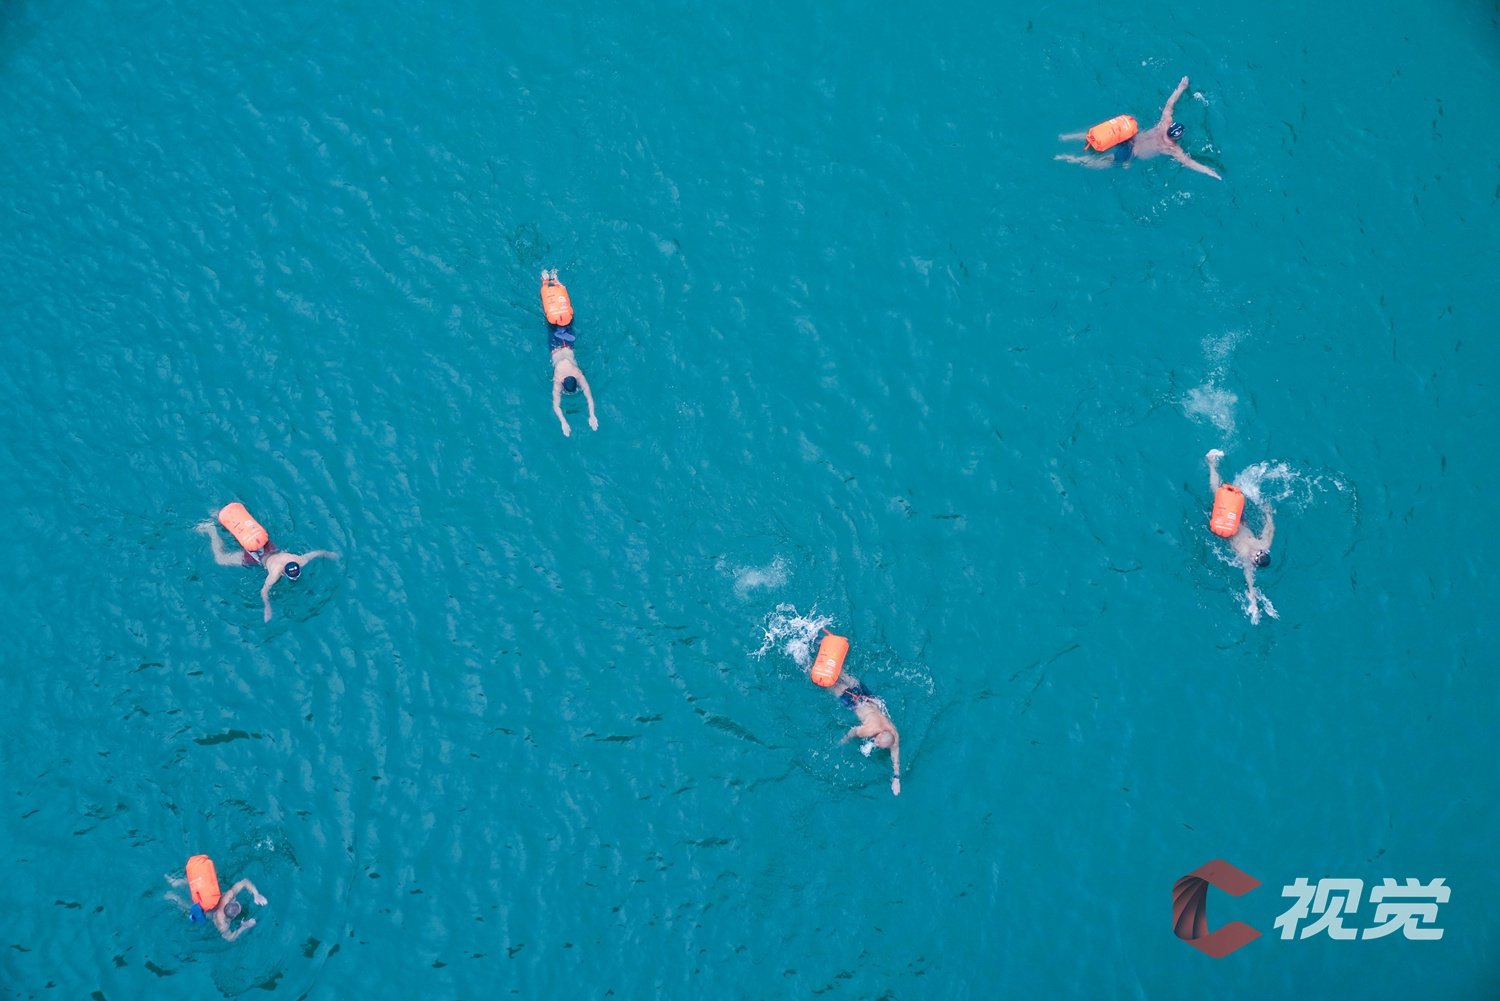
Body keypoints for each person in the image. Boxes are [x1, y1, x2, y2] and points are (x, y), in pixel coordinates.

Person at [1056, 76, 1222, 180]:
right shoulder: (1171, 148)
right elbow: (1188, 162)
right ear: (1177, 137)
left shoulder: (1164, 123)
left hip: (1128, 137)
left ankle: (1066, 137)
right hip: (1130, 154)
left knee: (1098, 135)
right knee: (1101, 163)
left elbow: (1169, 104)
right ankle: (1067, 158)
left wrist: (1180, 87)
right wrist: (1208, 171)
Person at [196, 518, 337, 622]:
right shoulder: (276, 573)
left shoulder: (298, 560)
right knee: (221, 559)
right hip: (257, 558)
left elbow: (317, 553)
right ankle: (211, 530)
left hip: (267, 546)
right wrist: (267, 608)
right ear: (284, 573)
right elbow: (263, 591)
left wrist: (329, 554)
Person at [1207, 449, 1276, 623]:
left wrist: (1253, 605)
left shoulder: (1246, 563)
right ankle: (1214, 464)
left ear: (1255, 564)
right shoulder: (1263, 544)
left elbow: (1250, 586)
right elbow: (1270, 530)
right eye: (1259, 554)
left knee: (1216, 494)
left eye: (1256, 559)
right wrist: (1268, 514)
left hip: (1225, 528)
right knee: (1234, 494)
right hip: (1239, 521)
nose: (1255, 554)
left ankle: (1211, 463)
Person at [543, 269, 599, 437]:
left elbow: (556, 405)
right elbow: (559, 404)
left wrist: (564, 422)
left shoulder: (574, 375)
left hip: (568, 343)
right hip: (556, 346)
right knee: (553, 318)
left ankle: (552, 278)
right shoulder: (563, 378)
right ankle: (548, 279)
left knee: (563, 317)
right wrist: (591, 416)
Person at [830, 670, 902, 796]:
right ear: (880, 734)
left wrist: (896, 778)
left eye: (879, 745)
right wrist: (843, 741)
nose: (877, 744)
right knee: (833, 687)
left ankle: (838, 670)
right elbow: (853, 731)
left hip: (870, 698)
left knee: (849, 678)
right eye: (878, 742)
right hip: (855, 703)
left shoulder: (893, 733)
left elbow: (895, 753)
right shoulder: (868, 731)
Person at [173, 856, 267, 943]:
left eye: (237, 903)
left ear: (229, 902)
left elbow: (244, 882)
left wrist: (256, 894)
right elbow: (229, 938)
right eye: (238, 905)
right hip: (205, 912)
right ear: (233, 917)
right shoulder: (222, 923)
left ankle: (178, 882)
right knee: (186, 907)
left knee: (203, 886)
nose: (238, 902)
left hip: (207, 897)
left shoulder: (227, 897)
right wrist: (243, 927)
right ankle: (172, 896)